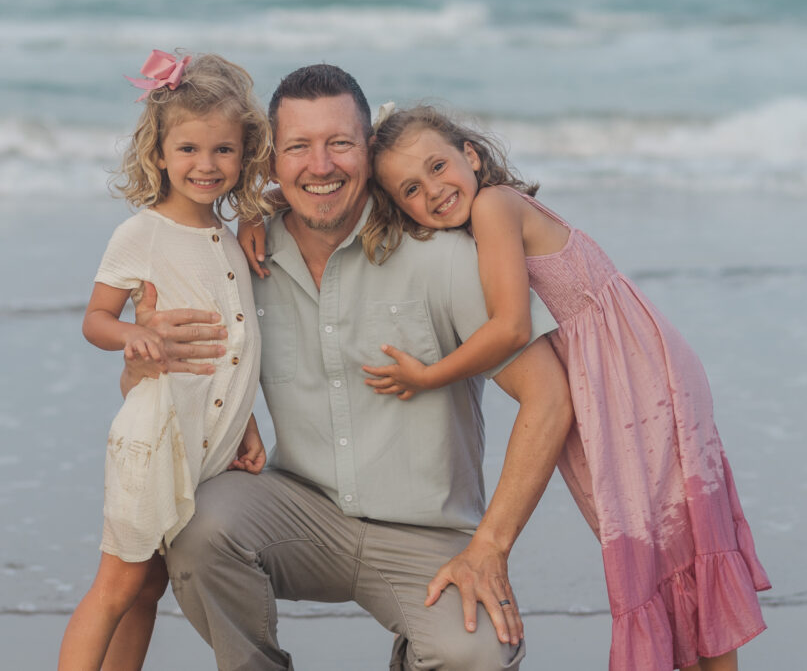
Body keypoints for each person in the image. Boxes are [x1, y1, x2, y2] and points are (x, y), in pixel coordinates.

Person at [126, 64, 574, 670]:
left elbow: (548, 396)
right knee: (197, 525)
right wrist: (144, 354)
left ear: (368, 149)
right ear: (271, 161)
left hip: (428, 535)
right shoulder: (235, 262)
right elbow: (146, 388)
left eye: (339, 143)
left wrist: (491, 546)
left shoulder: (441, 258)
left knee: (479, 656)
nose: (321, 165)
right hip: (298, 512)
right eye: (299, 148)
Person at [358, 104, 772, 671]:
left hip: (636, 384)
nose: (432, 190)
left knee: (670, 546)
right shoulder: (485, 215)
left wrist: (429, 375)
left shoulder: (493, 206)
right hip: (614, 381)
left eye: (437, 166)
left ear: (471, 155)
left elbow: (511, 326)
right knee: (668, 548)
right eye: (410, 187)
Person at [57, 50, 272, 671]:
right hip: (155, 437)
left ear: (244, 153)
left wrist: (246, 418)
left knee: (149, 587)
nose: (206, 165)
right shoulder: (142, 233)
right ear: (158, 153)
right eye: (188, 150)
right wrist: (133, 338)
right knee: (117, 587)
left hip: (203, 439)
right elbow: (95, 319)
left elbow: (233, 344)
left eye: (223, 151)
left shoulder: (228, 235)